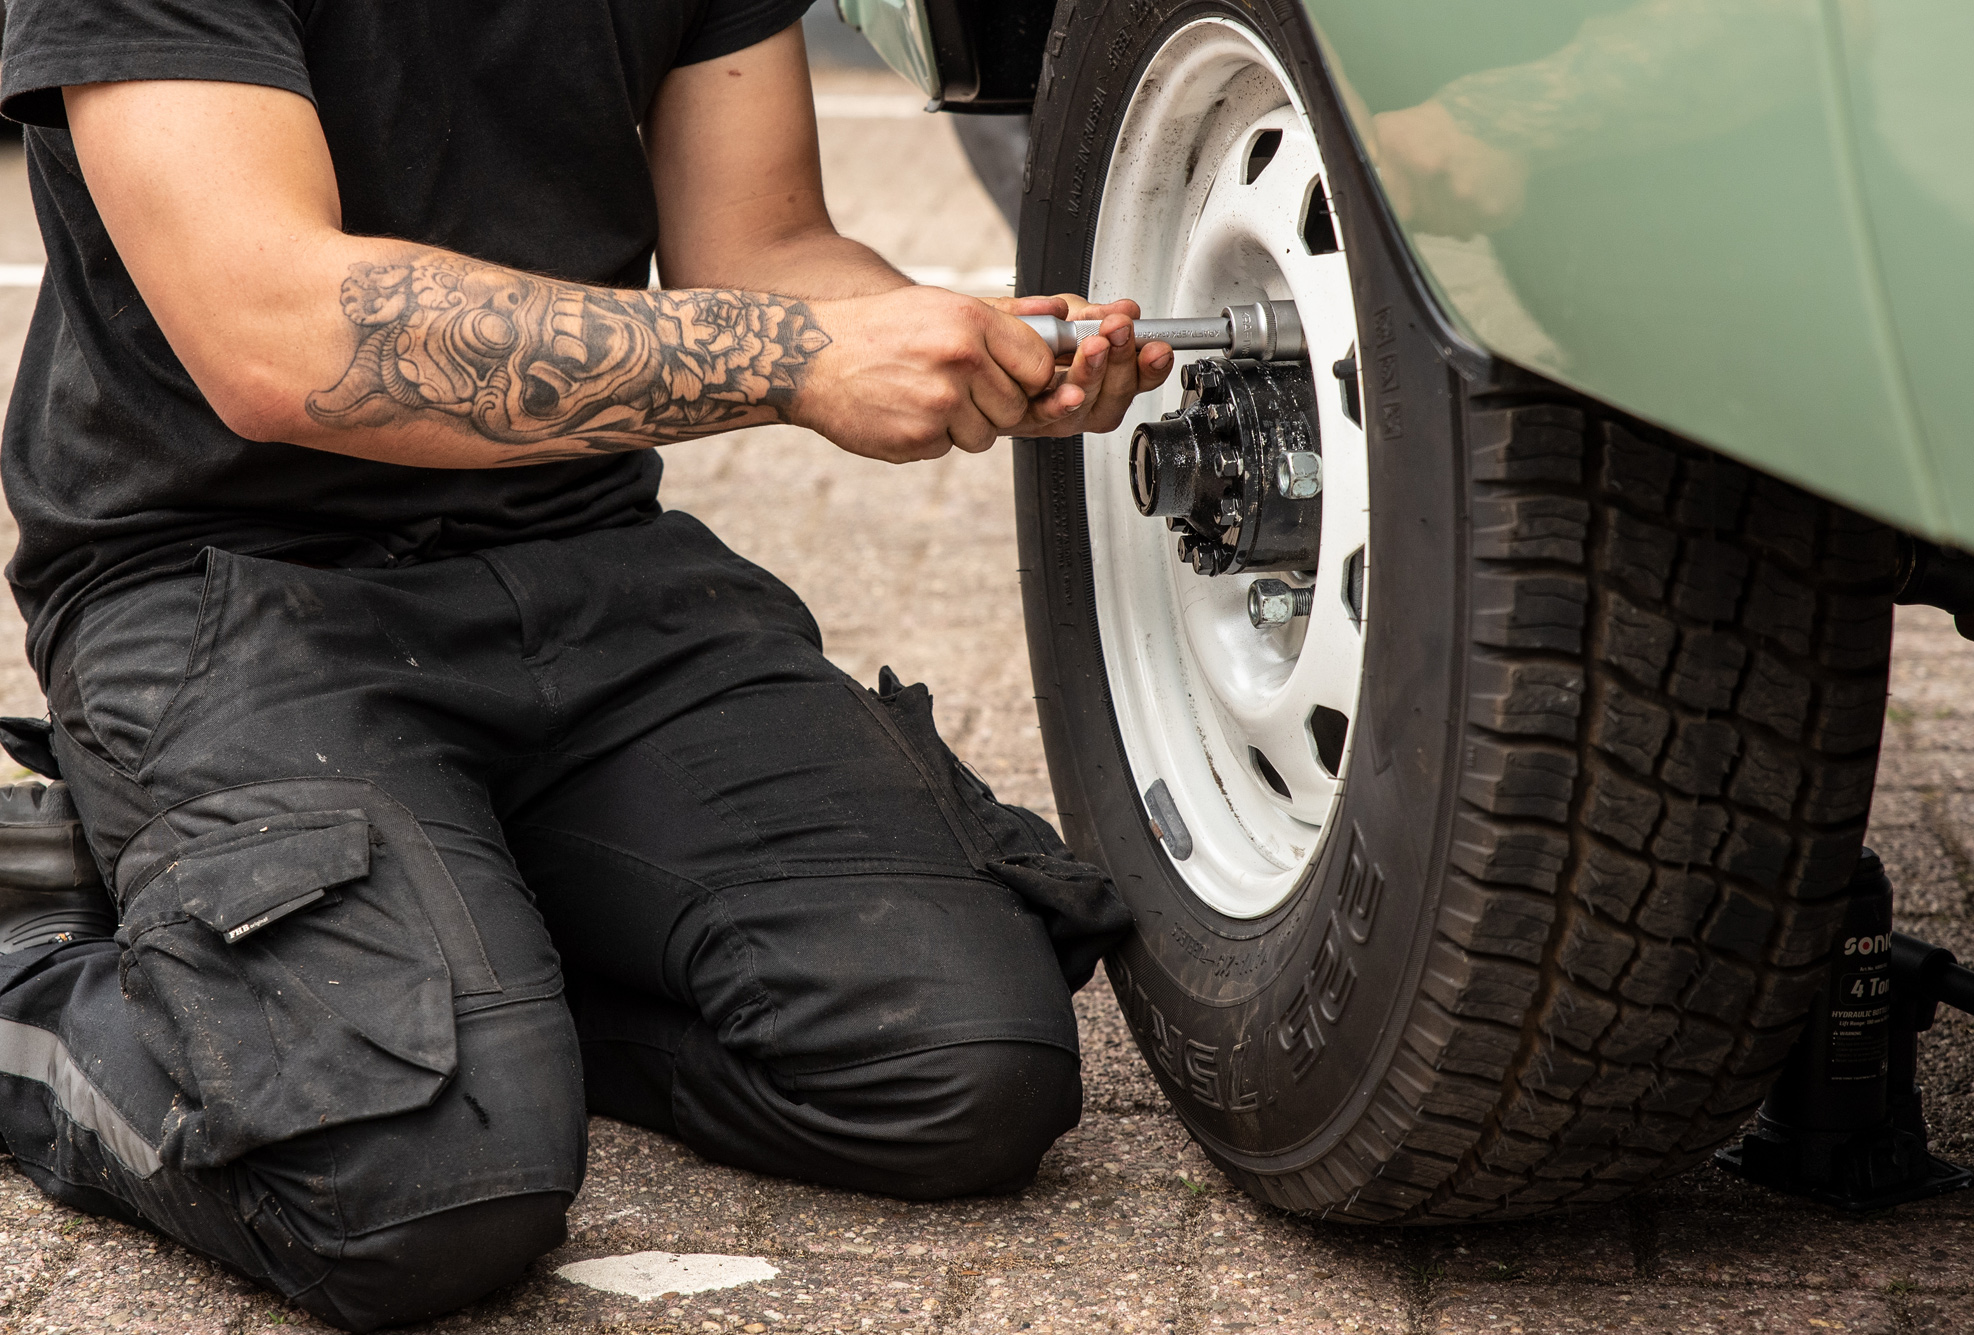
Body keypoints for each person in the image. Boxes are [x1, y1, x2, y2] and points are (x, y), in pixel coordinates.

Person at [0, 1, 1175, 1328]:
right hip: (224, 587)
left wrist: (956, 337)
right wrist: (801, 360)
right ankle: (40, 956)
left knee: (967, 1068)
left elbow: (763, 247)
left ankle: (473, 970)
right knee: (406, 1186)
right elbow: (274, 330)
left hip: (579, 545)